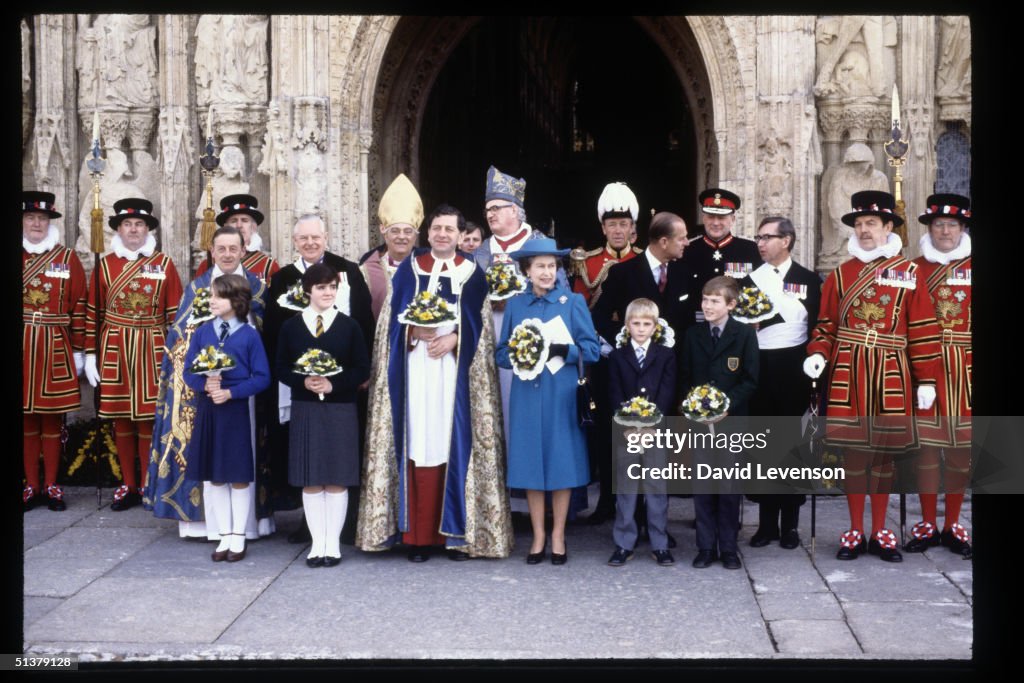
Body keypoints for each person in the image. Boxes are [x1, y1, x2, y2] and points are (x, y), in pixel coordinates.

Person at [358, 204, 512, 561]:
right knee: (420, 444)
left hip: (455, 375)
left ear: (460, 236)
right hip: (415, 371)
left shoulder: (473, 274)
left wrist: (456, 339)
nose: (442, 234)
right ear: (427, 234)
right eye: (437, 228)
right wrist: (413, 331)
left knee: (451, 444)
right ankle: (418, 538)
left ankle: (456, 536)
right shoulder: (409, 272)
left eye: (449, 229)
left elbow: (482, 329)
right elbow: (389, 328)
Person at [804, 190, 941, 563]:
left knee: (883, 455)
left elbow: (924, 329)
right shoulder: (839, 274)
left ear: (887, 228)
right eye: (859, 224)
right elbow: (826, 324)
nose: (864, 231)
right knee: (854, 454)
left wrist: (926, 378)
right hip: (849, 369)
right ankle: (853, 530)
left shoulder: (909, 273)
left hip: (891, 372)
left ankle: (881, 530)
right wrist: (818, 352)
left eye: (872, 224)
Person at [146, 225, 271, 539]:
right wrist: (205, 377)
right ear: (212, 252)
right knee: (211, 461)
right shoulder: (198, 287)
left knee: (245, 458)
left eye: (233, 248)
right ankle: (210, 527)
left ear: (244, 250)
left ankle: (246, 528)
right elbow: (180, 335)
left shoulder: (258, 287)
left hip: (246, 393)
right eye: (221, 249)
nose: (227, 254)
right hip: (206, 394)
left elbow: (267, 334)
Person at [263, 214, 373, 541]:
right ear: (295, 241)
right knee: (304, 447)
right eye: (303, 238)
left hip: (342, 380)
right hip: (300, 382)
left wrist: (362, 371)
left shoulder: (348, 271)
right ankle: (307, 521)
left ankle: (348, 519)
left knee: (343, 446)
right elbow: (272, 330)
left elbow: (364, 320)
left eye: (316, 237)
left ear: (326, 237)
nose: (310, 243)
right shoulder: (283, 278)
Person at [496, 238, 600, 565]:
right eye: (540, 266)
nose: (546, 272)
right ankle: (538, 535)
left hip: (562, 392)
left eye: (551, 266)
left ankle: (558, 535)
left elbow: (592, 350)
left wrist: (562, 351)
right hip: (528, 393)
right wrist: (521, 354)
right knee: (530, 463)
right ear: (527, 270)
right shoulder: (515, 305)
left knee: (561, 461)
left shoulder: (573, 302)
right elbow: (500, 353)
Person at [84, 198, 183, 511]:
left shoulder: (164, 264)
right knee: (121, 419)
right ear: (119, 229)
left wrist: (178, 357)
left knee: (148, 420)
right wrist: (89, 354)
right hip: (115, 347)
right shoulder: (105, 265)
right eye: (128, 224)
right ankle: (127, 484)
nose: (134, 230)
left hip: (153, 346)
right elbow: (92, 313)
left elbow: (176, 316)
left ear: (147, 228)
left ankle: (146, 483)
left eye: (139, 224)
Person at [276, 264, 370, 567]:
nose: (327, 292)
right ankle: (317, 544)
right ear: (308, 292)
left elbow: (362, 368)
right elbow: (280, 367)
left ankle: (333, 544)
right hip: (306, 407)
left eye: (332, 287)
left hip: (340, 406)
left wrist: (334, 383)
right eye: (320, 288)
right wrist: (303, 381)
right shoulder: (292, 326)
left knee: (337, 478)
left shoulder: (349, 325)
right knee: (312, 477)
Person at [743, 217, 822, 550]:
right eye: (758, 237)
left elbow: (818, 324)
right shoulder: (750, 278)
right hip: (761, 365)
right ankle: (766, 524)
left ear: (786, 240)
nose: (760, 243)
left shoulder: (807, 278)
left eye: (767, 237)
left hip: (795, 366)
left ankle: (790, 524)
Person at [570, 181, 644, 525]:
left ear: (633, 227)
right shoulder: (588, 263)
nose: (618, 230)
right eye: (611, 224)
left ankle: (640, 502)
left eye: (623, 224)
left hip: (636, 357)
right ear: (603, 227)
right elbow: (579, 311)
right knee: (603, 428)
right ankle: (607, 501)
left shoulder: (644, 261)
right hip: (602, 357)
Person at [183, 275, 271, 562]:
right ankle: (222, 535)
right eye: (211, 295)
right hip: (209, 410)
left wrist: (231, 393)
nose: (212, 301)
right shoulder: (202, 332)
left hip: (235, 412)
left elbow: (262, 377)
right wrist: (204, 385)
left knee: (237, 475)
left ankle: (238, 535)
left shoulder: (248, 335)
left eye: (218, 296)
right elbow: (188, 371)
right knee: (216, 476)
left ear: (236, 301)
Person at [904, 194, 973, 559]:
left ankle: (954, 523)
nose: (945, 231)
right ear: (929, 229)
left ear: (962, 229)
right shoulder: (911, 271)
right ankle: (929, 521)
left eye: (952, 225)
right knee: (927, 447)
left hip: (966, 369)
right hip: (923, 367)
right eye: (938, 225)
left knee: (961, 449)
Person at [681, 276, 759, 570]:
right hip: (700, 422)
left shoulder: (744, 335)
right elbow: (686, 376)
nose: (708, 305)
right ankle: (704, 547)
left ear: (731, 304)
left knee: (728, 485)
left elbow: (750, 379)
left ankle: (728, 547)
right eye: (705, 300)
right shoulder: (693, 334)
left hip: (731, 420)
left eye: (715, 301)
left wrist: (726, 405)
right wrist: (694, 405)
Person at [22, 191, 87, 511]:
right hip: (22, 346)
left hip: (55, 348)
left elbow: (79, 308)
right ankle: (30, 486)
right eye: (31, 218)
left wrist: (79, 351)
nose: (37, 224)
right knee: (25, 421)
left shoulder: (68, 259)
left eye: (42, 219)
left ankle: (52, 485)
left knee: (52, 420)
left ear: (50, 222)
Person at [606, 298, 677, 567]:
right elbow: (614, 393)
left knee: (656, 488)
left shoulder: (665, 355)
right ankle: (624, 542)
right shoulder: (617, 356)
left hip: (655, 431)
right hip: (626, 433)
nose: (641, 329)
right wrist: (628, 425)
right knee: (626, 487)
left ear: (655, 326)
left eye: (646, 324)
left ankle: (659, 543)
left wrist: (650, 426)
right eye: (635, 323)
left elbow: (667, 392)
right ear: (627, 325)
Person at [684, 188, 762, 323]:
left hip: (737, 325)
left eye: (721, 218)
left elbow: (758, 290)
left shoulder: (749, 250)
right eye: (710, 217)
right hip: (696, 326)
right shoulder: (688, 250)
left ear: (733, 219)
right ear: (703, 218)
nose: (715, 223)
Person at [359, 174, 423, 322]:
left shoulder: (427, 265)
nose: (402, 236)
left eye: (408, 231)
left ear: (416, 234)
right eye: (395, 231)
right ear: (383, 230)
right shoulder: (367, 269)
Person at [195, 194, 280, 284]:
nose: (239, 225)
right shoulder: (208, 264)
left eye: (244, 220)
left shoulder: (269, 266)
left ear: (254, 227)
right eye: (234, 221)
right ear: (225, 227)